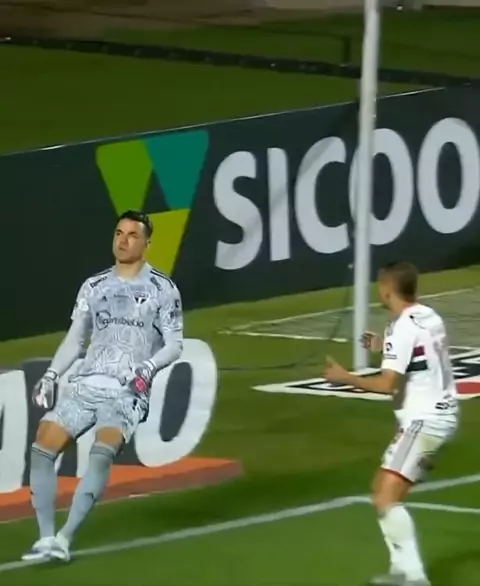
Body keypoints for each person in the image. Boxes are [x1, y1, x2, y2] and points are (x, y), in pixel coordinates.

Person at [23, 210, 184, 563]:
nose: (123, 241)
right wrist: (52, 374)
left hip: (127, 391)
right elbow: (75, 339)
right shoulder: (94, 286)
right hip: (87, 383)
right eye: (119, 233)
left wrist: (147, 368)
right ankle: (46, 538)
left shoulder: (163, 289)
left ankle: (65, 538)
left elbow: (174, 344)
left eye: (132, 235)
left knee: (102, 451)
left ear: (146, 243)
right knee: (42, 446)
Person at [324, 261, 458, 586]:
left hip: (425, 422)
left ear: (386, 290)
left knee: (386, 498)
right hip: (441, 417)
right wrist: (381, 345)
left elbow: (386, 385)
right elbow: (417, 348)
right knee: (381, 492)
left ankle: (413, 576)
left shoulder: (401, 329)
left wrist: (346, 378)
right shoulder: (429, 316)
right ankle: (402, 570)